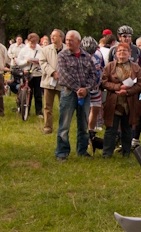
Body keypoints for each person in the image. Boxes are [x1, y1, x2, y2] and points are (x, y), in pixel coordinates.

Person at [55, 30, 100, 161]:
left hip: (85, 95)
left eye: (71, 40)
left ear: (78, 42)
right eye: (67, 40)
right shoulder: (62, 56)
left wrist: (86, 89)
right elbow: (63, 76)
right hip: (68, 94)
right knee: (64, 125)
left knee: (84, 125)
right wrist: (77, 89)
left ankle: (82, 150)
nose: (67, 42)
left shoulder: (86, 56)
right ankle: (62, 153)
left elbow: (93, 75)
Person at [101, 42, 141, 158]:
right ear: (116, 54)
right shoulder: (109, 66)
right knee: (111, 129)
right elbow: (104, 82)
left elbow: (140, 84)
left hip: (129, 104)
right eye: (119, 51)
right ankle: (106, 154)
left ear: (129, 53)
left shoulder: (135, 67)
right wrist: (118, 87)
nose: (122, 53)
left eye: (125, 51)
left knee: (127, 130)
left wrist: (127, 92)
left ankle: (126, 153)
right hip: (113, 103)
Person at [39, 29, 64, 135]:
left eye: (55, 36)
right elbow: (43, 63)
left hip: (63, 83)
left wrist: (63, 74)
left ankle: (63, 127)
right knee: (47, 106)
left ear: (61, 38)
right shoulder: (45, 50)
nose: (52, 37)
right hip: (49, 81)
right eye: (51, 36)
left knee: (63, 106)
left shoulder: (67, 49)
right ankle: (47, 127)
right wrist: (52, 72)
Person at [80, 36, 105, 138]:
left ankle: (91, 132)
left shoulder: (98, 56)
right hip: (83, 88)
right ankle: (83, 132)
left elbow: (102, 69)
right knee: (84, 112)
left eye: (91, 53)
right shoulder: (79, 58)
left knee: (94, 110)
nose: (90, 55)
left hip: (96, 88)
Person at [16, 33, 43, 117]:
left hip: (37, 73)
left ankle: (39, 111)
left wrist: (38, 62)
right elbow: (18, 62)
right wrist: (26, 61)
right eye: (32, 43)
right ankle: (26, 109)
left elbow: (44, 61)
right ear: (29, 42)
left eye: (35, 43)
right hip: (27, 73)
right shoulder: (24, 50)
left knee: (38, 94)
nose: (33, 45)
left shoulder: (40, 50)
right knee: (27, 92)